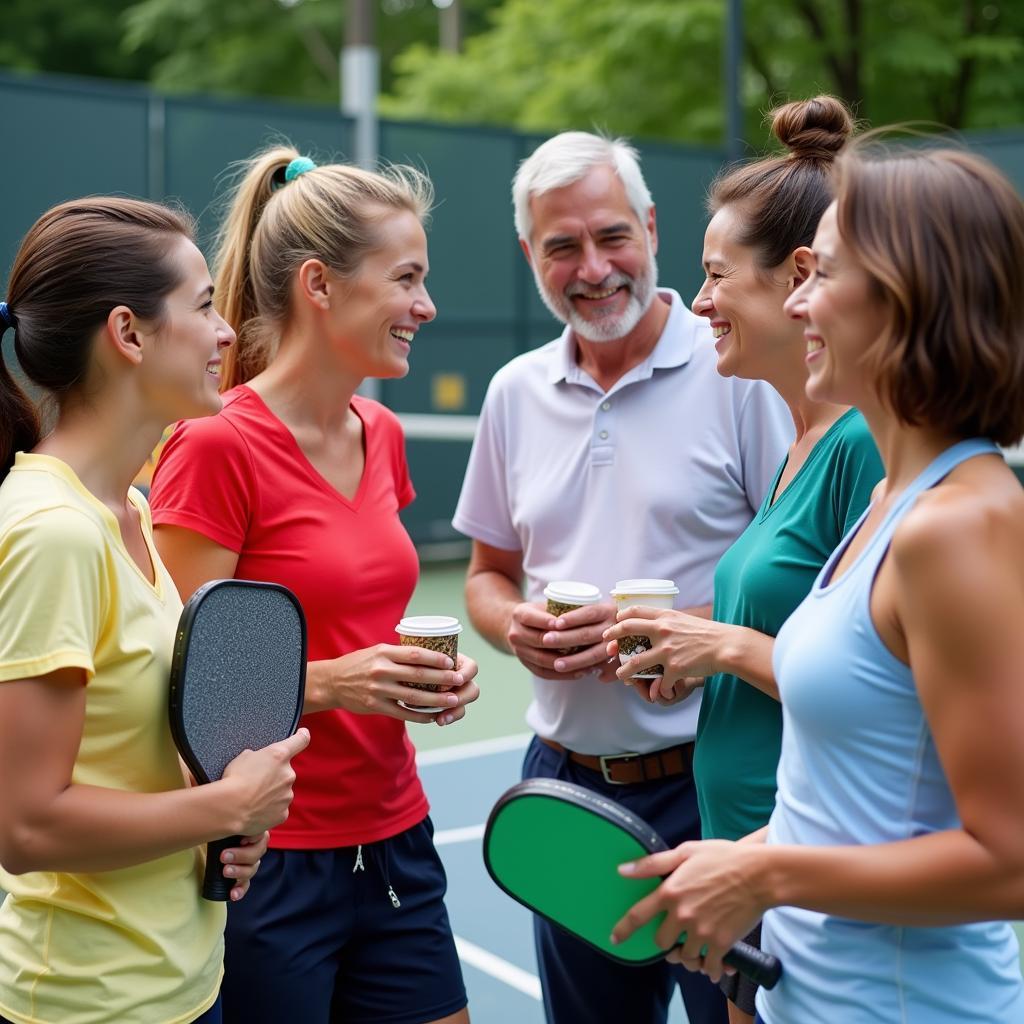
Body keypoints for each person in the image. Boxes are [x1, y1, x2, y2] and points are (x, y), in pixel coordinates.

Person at [611, 144, 1024, 1024]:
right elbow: (856, 798)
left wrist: (762, 870)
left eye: (823, 273)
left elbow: (1011, 860)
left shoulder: (957, 527)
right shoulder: (887, 500)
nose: (795, 298)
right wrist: (728, 865)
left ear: (906, 297)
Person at [452, 130, 793, 1024]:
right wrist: (511, 623)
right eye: (562, 246)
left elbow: (798, 575)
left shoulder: (742, 371)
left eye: (612, 236)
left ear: (650, 226)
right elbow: (489, 573)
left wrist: (674, 630)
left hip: (713, 785)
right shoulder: (512, 393)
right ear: (530, 255)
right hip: (562, 785)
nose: (593, 268)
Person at [148, 147, 479, 1024]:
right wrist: (338, 683)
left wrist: (421, 676)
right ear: (319, 286)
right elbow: (177, 683)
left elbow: (366, 611)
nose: (426, 305)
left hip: (399, 838)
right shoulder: (216, 446)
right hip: (271, 859)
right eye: (406, 278)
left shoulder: (382, 431)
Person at [603, 97, 884, 1023]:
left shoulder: (858, 449)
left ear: (798, 278)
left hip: (807, 875)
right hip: (751, 868)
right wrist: (692, 658)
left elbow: (883, 687)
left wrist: (716, 648)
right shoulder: (799, 442)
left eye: (720, 277)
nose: (704, 302)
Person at [0, 197, 309, 1024]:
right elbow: (25, 827)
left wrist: (211, 825)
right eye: (205, 305)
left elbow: (124, 759)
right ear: (129, 334)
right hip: (87, 1003)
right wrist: (228, 805)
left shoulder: (130, 510)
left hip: (179, 985)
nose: (223, 334)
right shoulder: (54, 535)